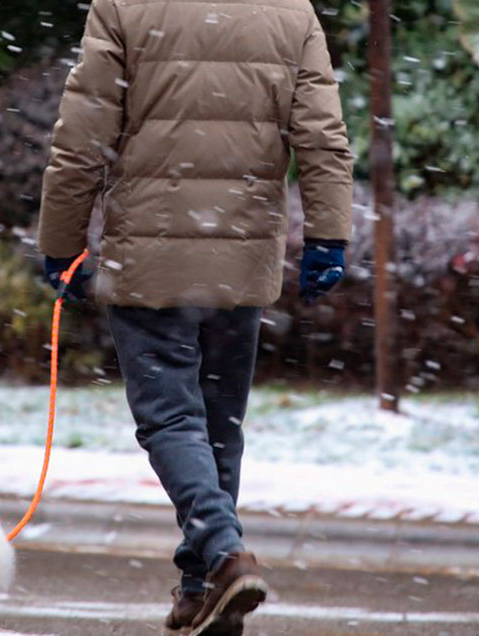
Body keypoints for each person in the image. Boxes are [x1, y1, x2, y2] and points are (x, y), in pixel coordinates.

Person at [36, 0, 353, 634]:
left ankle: (225, 556)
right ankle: (201, 585)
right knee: (217, 424)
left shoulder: (124, 8)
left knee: (172, 421)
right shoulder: (291, 13)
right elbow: (321, 135)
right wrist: (328, 234)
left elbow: (82, 135)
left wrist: (61, 240)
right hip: (239, 260)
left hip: (149, 259)